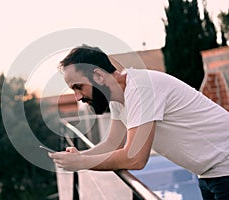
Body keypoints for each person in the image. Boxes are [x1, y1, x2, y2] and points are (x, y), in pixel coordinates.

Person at [48, 44, 229, 200]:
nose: (77, 97)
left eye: (78, 87)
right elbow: (112, 144)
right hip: (209, 174)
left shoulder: (142, 88)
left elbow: (135, 158)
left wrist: (82, 163)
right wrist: (79, 156)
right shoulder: (120, 98)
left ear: (98, 76)